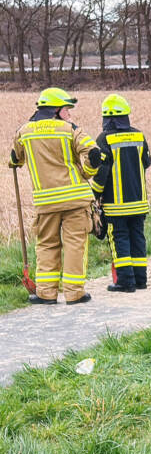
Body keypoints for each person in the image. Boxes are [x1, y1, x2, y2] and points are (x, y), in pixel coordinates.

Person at [8, 87, 98, 304]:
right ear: (56, 110)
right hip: (76, 199)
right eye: (67, 109)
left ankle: (46, 293)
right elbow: (94, 153)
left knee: (46, 244)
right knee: (75, 243)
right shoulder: (70, 129)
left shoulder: (24, 131)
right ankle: (74, 293)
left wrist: (15, 162)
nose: (69, 113)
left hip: (46, 202)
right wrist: (87, 172)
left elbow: (15, 158)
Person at [90, 94, 151, 292]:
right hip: (139, 202)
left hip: (116, 206)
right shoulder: (139, 136)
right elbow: (147, 162)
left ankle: (125, 282)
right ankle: (140, 280)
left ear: (106, 118)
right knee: (138, 239)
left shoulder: (104, 139)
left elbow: (101, 173)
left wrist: (94, 195)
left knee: (120, 239)